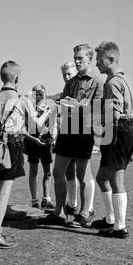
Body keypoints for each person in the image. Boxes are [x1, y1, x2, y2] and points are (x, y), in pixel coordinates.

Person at [0, 60, 54, 250]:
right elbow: (37, 125)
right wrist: (48, 112)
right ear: (17, 78)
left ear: (1, 77)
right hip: (13, 146)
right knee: (5, 190)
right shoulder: (22, 100)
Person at [38, 44, 103, 227]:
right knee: (58, 172)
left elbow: (99, 111)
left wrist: (78, 106)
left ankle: (83, 213)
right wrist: (52, 105)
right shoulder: (71, 81)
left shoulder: (98, 82)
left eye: (80, 58)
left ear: (89, 59)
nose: (76, 61)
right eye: (75, 58)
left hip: (84, 132)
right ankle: (58, 213)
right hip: (67, 130)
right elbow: (62, 102)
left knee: (83, 176)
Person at [93, 41, 133, 238]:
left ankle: (119, 227)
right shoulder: (126, 80)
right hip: (125, 130)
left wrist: (92, 117)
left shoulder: (112, 83)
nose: (96, 64)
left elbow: (115, 114)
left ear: (111, 60)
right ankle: (111, 219)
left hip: (116, 130)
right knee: (102, 178)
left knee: (116, 180)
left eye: (99, 60)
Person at [23, 84, 56, 210]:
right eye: (35, 93)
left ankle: (46, 199)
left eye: (40, 93)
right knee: (33, 171)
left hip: (46, 142)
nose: (38, 95)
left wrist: (52, 137)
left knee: (48, 172)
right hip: (33, 142)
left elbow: (53, 125)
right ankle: (34, 200)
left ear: (45, 94)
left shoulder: (50, 107)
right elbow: (25, 126)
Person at [60, 62, 79, 215]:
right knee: (68, 171)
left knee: (84, 173)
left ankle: (88, 208)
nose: (66, 77)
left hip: (80, 131)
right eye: (64, 74)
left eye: (69, 74)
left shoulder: (80, 88)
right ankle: (71, 203)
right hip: (67, 130)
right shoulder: (66, 89)